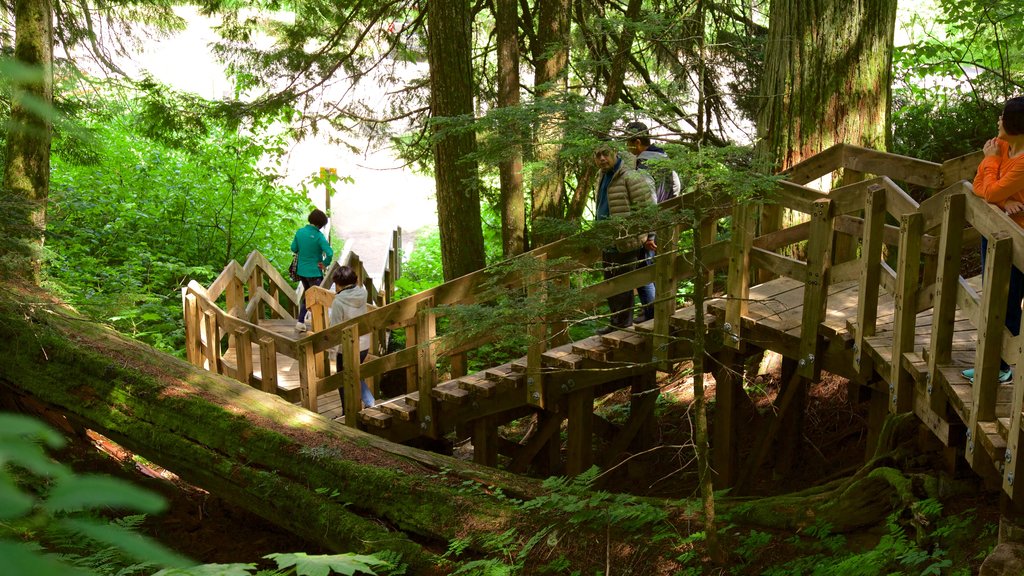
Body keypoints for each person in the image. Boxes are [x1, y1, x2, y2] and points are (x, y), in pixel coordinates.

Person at [962, 96, 1024, 384]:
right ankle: (992, 363)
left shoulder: (1021, 162)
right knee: (992, 297)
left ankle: (1004, 367)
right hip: (995, 231)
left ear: (1015, 126)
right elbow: (980, 187)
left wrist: (989, 164)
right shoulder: (999, 145)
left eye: (1002, 116)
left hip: (1018, 241)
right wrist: (1001, 201)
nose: (998, 120)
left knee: (1008, 301)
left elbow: (987, 191)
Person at [593, 141, 657, 334]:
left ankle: (622, 324)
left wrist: (649, 236)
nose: (602, 159)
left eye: (605, 154)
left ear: (615, 153)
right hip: (607, 239)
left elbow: (646, 208)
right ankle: (617, 321)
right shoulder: (601, 176)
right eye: (598, 155)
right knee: (611, 283)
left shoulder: (630, 176)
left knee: (624, 284)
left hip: (627, 239)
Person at [624, 121, 682, 322]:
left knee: (644, 269)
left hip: (652, 225)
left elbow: (649, 200)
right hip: (665, 221)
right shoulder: (665, 160)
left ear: (637, 142)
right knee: (660, 266)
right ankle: (662, 310)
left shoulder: (644, 165)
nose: (627, 148)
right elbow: (676, 188)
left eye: (628, 143)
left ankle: (652, 315)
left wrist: (648, 234)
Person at [329, 265, 375, 411]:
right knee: (355, 373)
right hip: (364, 344)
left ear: (338, 283)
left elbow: (335, 329)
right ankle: (368, 403)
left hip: (347, 347)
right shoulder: (362, 294)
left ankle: (348, 410)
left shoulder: (338, 302)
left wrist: (331, 352)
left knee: (343, 378)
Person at [291, 209, 333, 332]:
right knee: (316, 298)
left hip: (302, 271)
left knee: (309, 295)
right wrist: (324, 264)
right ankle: (317, 326)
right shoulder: (319, 237)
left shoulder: (300, 232)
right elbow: (329, 253)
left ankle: (301, 321)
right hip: (314, 272)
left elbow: (294, 248)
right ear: (320, 224)